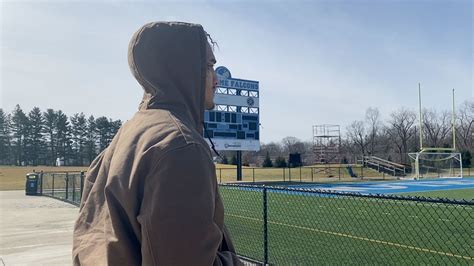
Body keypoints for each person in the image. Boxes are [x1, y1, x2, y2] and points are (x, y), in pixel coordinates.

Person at [72, 22, 242, 265]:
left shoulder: (127, 134)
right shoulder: (181, 147)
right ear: (181, 69)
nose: (216, 80)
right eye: (208, 66)